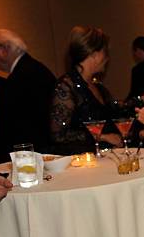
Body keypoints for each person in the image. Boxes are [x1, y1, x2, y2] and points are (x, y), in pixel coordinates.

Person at [49, 26, 122, 154]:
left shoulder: (98, 86)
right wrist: (103, 137)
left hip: (104, 159)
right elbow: (58, 134)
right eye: (105, 52)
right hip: (81, 164)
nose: (107, 58)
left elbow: (114, 114)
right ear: (94, 54)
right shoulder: (66, 87)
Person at [0, 29, 56, 157]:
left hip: (34, 153)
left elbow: (18, 126)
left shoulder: (21, 76)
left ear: (3, 50)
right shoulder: (34, 68)